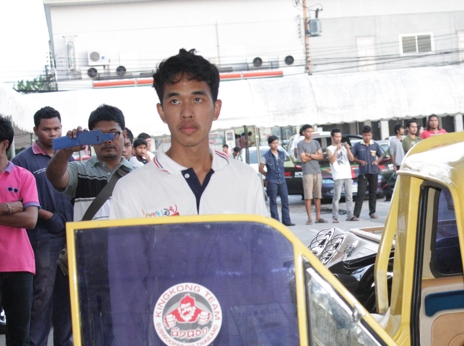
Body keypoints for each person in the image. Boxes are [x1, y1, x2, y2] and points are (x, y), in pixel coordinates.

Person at [47, 104, 138, 346]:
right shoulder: (79, 170)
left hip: (131, 279)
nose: (107, 140)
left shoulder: (141, 175)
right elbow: (56, 178)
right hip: (89, 278)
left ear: (124, 135)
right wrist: (65, 151)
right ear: (90, 139)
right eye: (99, 135)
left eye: (113, 133)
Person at [110, 49, 268, 220]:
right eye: (175, 101)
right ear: (162, 112)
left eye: (197, 100)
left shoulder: (245, 180)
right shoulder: (130, 190)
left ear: (216, 109)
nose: (187, 113)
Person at [12, 107, 74, 346]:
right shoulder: (23, 161)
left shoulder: (69, 155)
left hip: (70, 230)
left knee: (67, 290)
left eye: (56, 128)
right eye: (46, 129)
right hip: (42, 233)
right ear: (35, 130)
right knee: (42, 292)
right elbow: (20, 201)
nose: (53, 133)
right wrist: (49, 216)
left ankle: (64, 342)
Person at [0, 116, 41, 346]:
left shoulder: (23, 175)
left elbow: (30, 220)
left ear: (4, 144)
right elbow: (23, 213)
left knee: (19, 338)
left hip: (18, 264)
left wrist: (18, 210)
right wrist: (10, 206)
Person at [259, 135, 294, 226]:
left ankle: (286, 220)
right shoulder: (265, 156)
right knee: (273, 201)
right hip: (272, 180)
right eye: (273, 143)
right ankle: (275, 222)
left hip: (282, 179)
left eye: (277, 143)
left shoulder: (282, 153)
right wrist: (267, 175)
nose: (275, 145)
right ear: (269, 144)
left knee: (285, 200)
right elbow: (261, 169)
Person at [352, 125, 384, 220]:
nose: (367, 137)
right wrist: (359, 161)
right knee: (361, 193)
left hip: (374, 172)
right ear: (362, 135)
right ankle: (356, 215)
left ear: (371, 135)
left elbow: (381, 155)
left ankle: (372, 212)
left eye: (369, 135)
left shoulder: (375, 145)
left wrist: (377, 161)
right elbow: (352, 157)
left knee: (373, 193)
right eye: (365, 135)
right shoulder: (357, 145)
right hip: (363, 173)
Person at [297, 124, 326, 225]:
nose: (310, 133)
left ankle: (318, 217)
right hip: (307, 172)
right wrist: (315, 155)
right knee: (308, 196)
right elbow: (303, 159)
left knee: (318, 195)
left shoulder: (316, 142)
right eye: (308, 131)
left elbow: (321, 156)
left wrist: (309, 154)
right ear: (303, 132)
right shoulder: (300, 144)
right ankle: (309, 218)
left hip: (317, 171)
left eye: (311, 131)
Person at [327, 129, 356, 222]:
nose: (338, 139)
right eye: (336, 137)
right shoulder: (329, 148)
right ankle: (335, 217)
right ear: (332, 137)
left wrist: (348, 149)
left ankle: (350, 215)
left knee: (349, 196)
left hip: (347, 174)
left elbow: (352, 159)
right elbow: (331, 161)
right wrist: (336, 150)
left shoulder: (344, 147)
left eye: (340, 137)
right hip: (338, 175)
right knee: (337, 197)